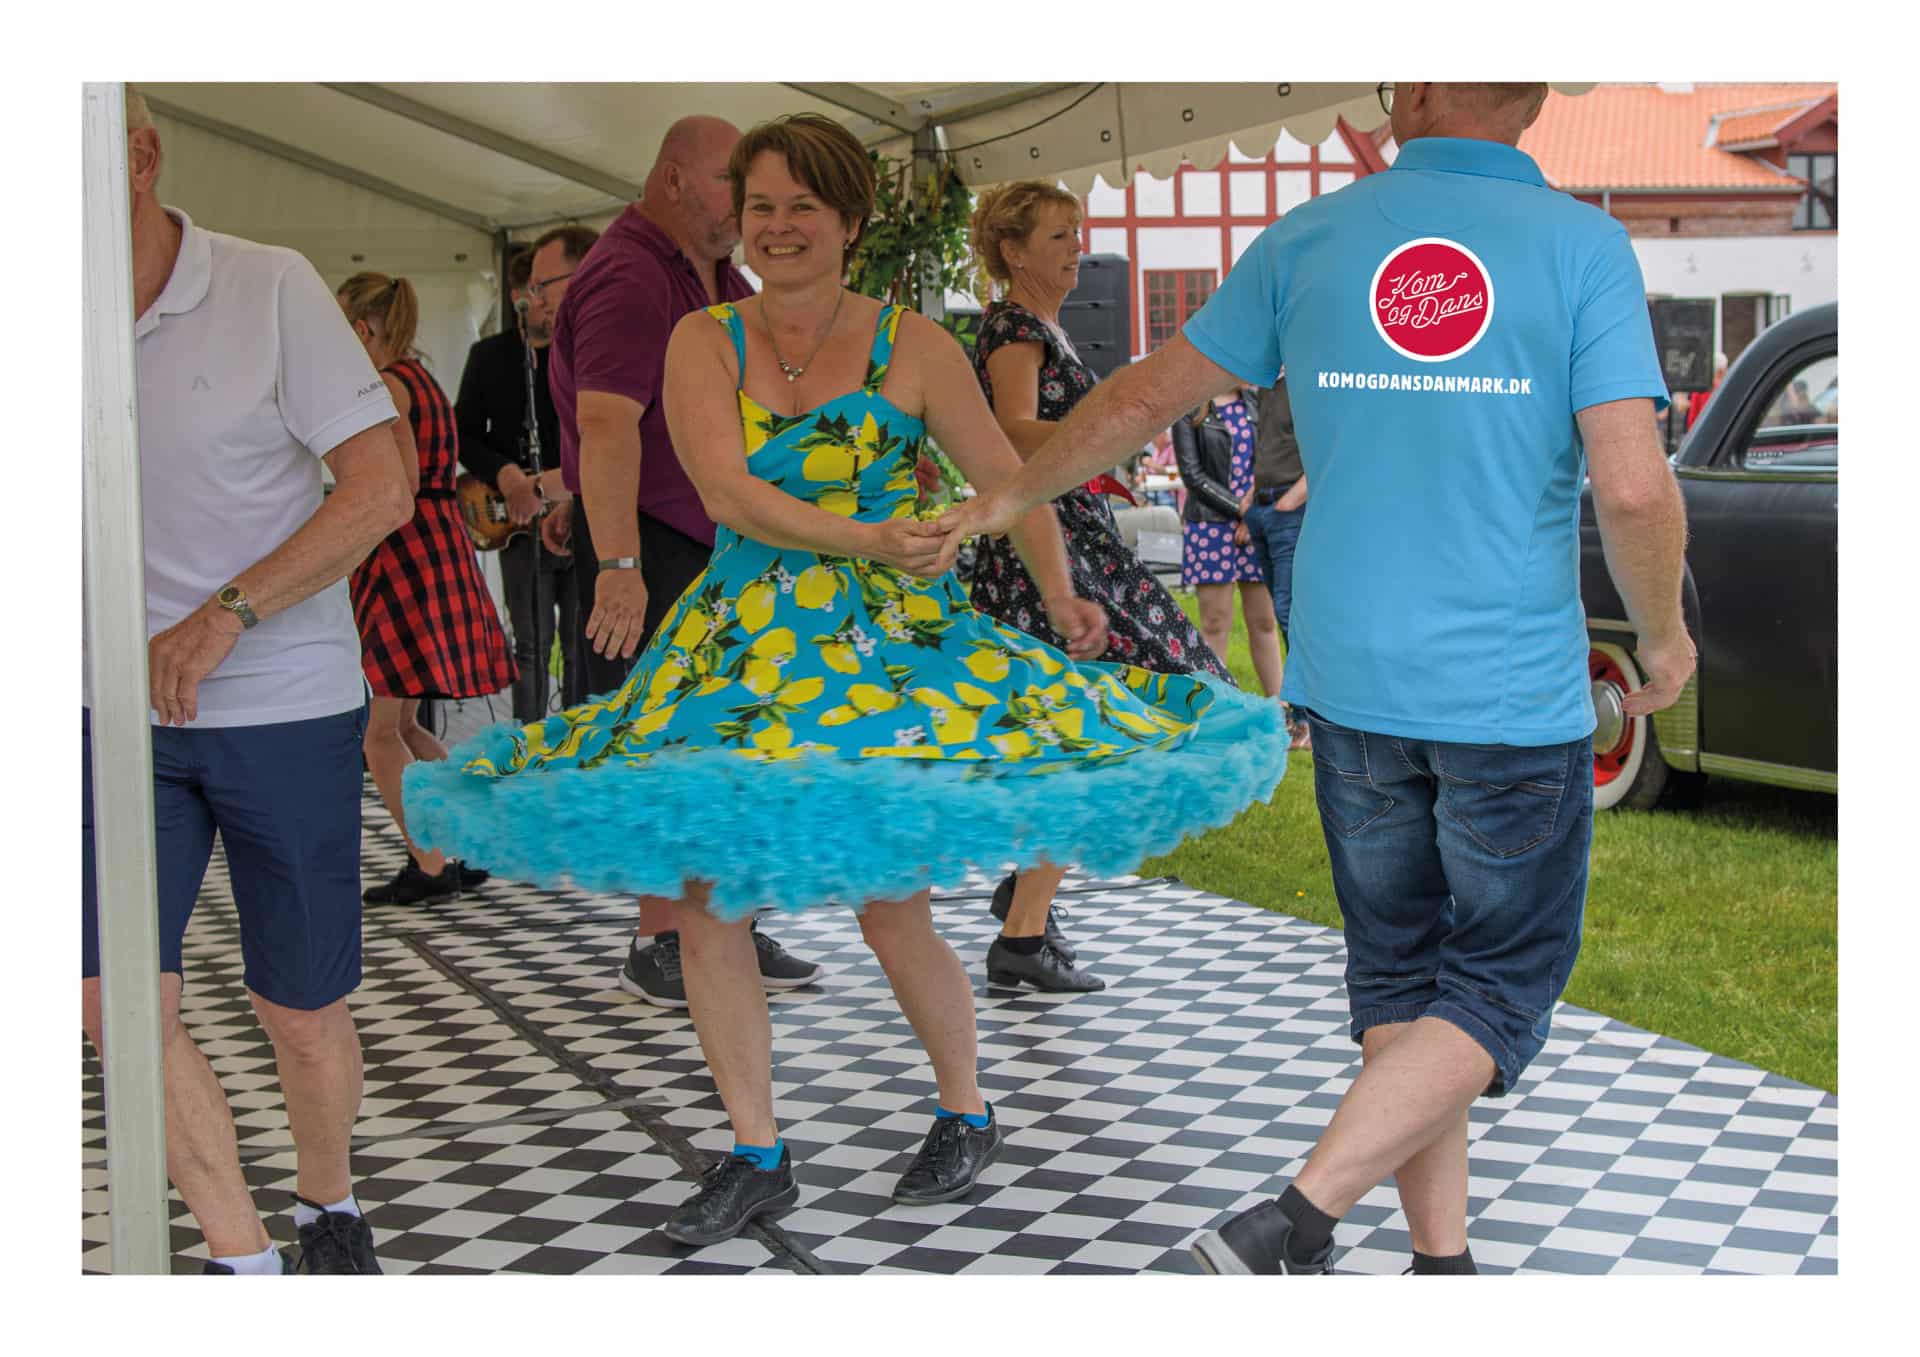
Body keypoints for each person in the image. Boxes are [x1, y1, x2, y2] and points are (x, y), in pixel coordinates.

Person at [404, 113, 1288, 1248]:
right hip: (739, 643)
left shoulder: (915, 346)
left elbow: (1005, 479)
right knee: (709, 899)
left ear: (851, 221)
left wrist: (1061, 592)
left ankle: (966, 1107)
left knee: (890, 906)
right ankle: (754, 1150)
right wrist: (869, 538)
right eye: (758, 207)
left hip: (884, 648)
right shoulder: (703, 339)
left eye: (801, 208)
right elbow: (725, 494)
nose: (775, 228)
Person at [946, 82, 1694, 1277]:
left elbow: (1140, 396)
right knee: (1497, 990)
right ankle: (1296, 1216)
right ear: (1532, 100)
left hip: (1349, 680)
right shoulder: (1580, 247)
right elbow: (1638, 488)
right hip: (1505, 693)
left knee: (1403, 980)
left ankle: (1440, 1262)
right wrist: (1663, 638)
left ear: (1413, 91)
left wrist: (1007, 496)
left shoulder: (1310, 239)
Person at [82, 90, 414, 1275]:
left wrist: (227, 614)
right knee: (116, 999)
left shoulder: (267, 286)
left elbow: (381, 486)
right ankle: (242, 1256)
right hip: (105, 714)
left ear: (136, 156)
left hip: (282, 702)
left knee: (300, 1012)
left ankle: (328, 1204)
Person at [540, 114, 824, 1007]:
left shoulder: (715, 275)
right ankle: (659, 935)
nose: (746, 202)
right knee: (659, 735)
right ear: (671, 180)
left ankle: (725, 916)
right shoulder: (629, 273)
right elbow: (605, 424)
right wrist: (619, 562)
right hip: (652, 540)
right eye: (730, 183)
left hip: (718, 541)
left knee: (726, 732)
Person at [964, 180, 1231, 993]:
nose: (1077, 248)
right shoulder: (1014, 327)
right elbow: (1010, 430)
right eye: (1059, 236)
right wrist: (1112, 437)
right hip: (1049, 545)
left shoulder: (1046, 329)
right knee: (1103, 722)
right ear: (1013, 251)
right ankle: (1022, 927)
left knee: (1097, 721)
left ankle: (1027, 900)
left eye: (1076, 233)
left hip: (1074, 534)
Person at [338, 272, 518, 906]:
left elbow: (402, 483)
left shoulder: (386, 385)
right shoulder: (421, 379)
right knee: (407, 724)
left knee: (379, 732)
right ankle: (465, 846)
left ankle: (431, 862)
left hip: (404, 554)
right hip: (436, 546)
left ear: (362, 329)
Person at [454, 231, 595, 723]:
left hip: (578, 514)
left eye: (544, 289)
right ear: (517, 298)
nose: (540, 303)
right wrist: (507, 474)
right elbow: (461, 433)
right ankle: (528, 740)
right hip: (515, 523)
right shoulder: (489, 356)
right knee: (531, 644)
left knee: (580, 644)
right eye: (532, 292)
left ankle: (576, 739)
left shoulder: (580, 352)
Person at [1171, 383, 1285, 697]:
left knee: (1264, 622)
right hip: (1209, 525)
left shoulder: (1256, 402)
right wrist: (1242, 511)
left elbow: (1272, 460)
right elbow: (1192, 475)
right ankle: (1215, 707)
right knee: (1214, 623)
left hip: (1256, 522)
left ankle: (1280, 706)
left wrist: (1254, 511)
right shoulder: (1189, 408)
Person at [1243, 376, 1311, 750]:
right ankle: (1299, 714)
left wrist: (1294, 497)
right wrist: (1252, 495)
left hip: (1288, 510)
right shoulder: (1267, 389)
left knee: (1289, 612)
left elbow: (1329, 445)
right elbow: (1271, 448)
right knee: (1284, 609)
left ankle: (1307, 717)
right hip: (1264, 508)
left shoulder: (1305, 382)